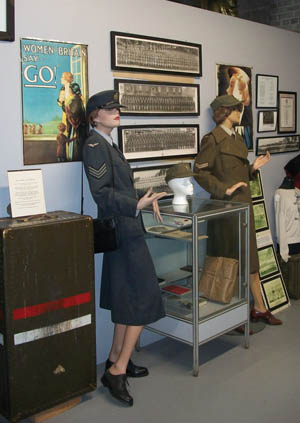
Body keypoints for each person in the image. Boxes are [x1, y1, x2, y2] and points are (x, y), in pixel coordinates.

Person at [83, 90, 166, 407]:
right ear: (95, 115)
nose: (117, 112)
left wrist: (144, 198)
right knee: (142, 296)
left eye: (118, 108)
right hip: (122, 229)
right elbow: (101, 194)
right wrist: (135, 204)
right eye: (110, 108)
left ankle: (117, 358)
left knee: (126, 296)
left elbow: (117, 186)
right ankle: (117, 370)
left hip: (126, 229)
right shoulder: (94, 146)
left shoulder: (107, 143)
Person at [193, 94, 282, 326]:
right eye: (235, 109)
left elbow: (235, 170)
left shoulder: (236, 137)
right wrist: (224, 190)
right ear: (224, 111)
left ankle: (259, 307)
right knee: (230, 261)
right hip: (226, 209)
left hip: (244, 205)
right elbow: (200, 172)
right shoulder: (212, 139)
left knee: (249, 258)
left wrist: (252, 168)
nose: (239, 113)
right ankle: (230, 315)